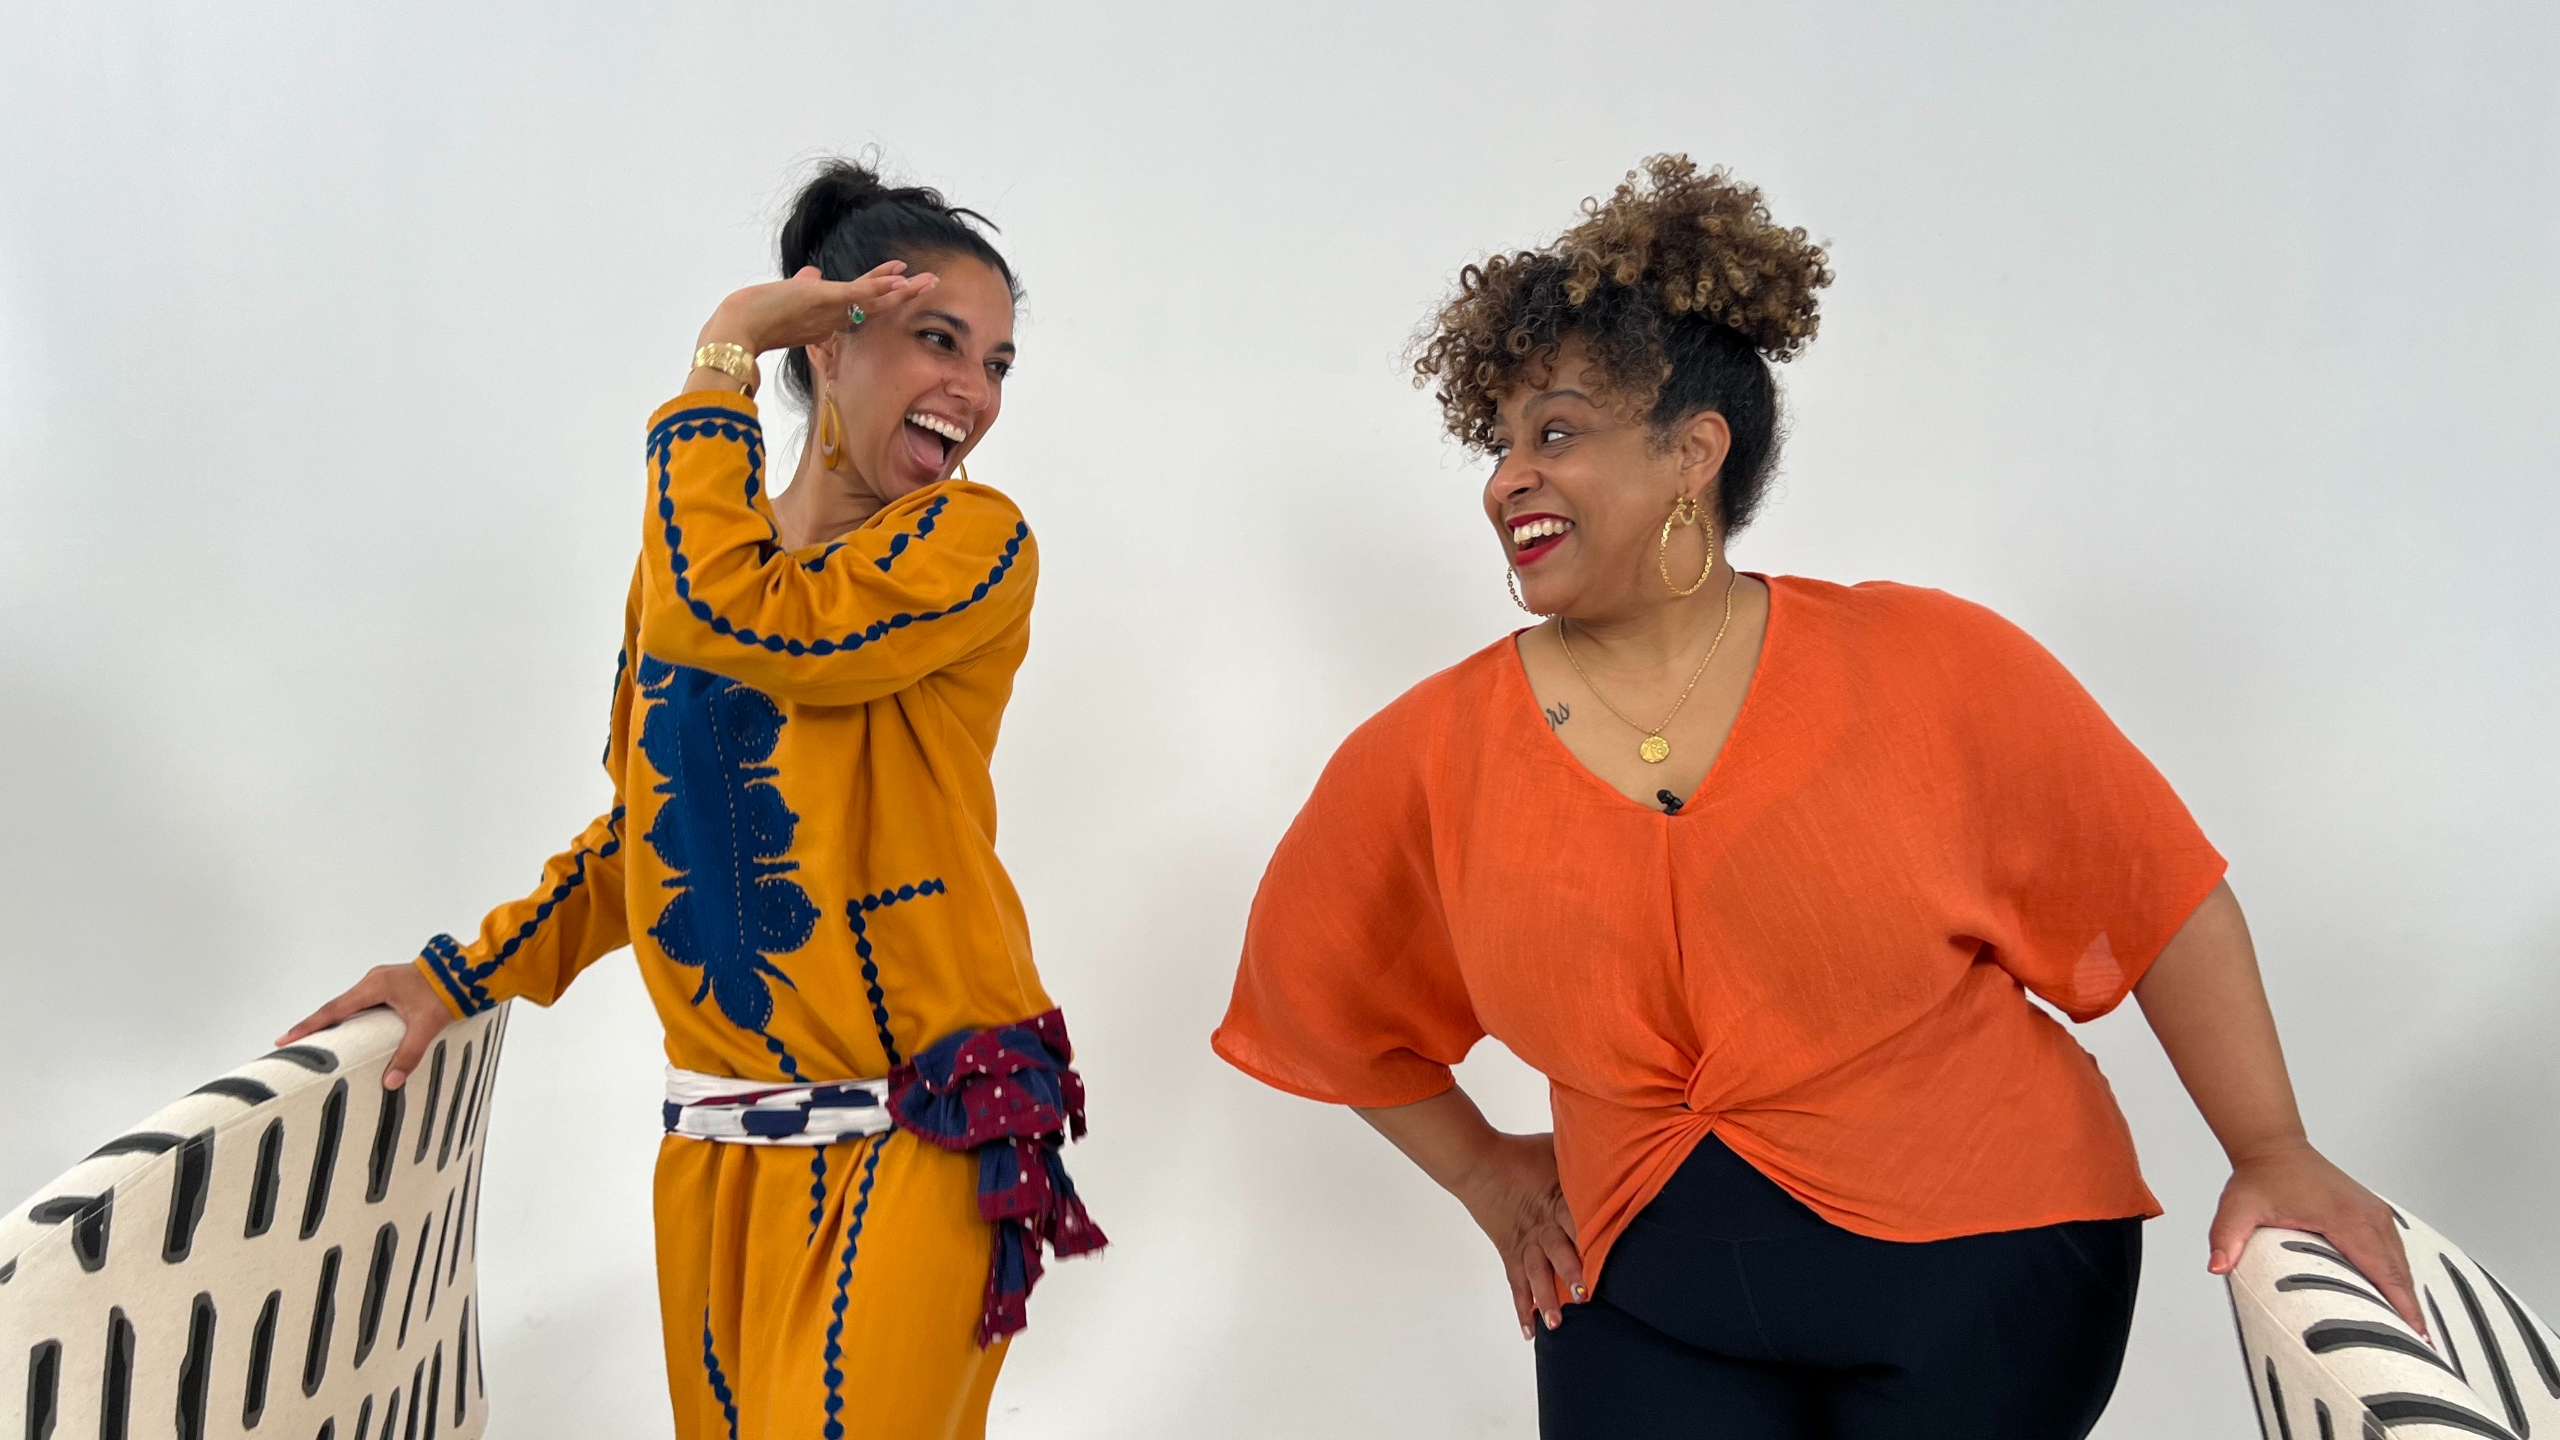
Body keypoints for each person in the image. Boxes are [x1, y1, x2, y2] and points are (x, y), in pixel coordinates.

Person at [1212, 155, 2414, 1439]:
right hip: (1644, 1298)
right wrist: (1487, 1178)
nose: (1507, 475)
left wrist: (2270, 1149)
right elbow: (1319, 993)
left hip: (1990, 1272)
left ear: (1693, 452)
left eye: (1554, 432)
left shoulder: (1928, 663)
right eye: (1499, 442)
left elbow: (2156, 896)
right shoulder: (1425, 753)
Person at [282, 159, 1102, 1440]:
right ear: (828, 340)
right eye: (939, 340)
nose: (975, 391)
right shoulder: (687, 562)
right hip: (717, 1157)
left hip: (919, 1135)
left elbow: (747, 622)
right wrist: (462, 973)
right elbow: (646, 832)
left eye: (995, 362)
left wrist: (721, 355)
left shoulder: (972, 543)